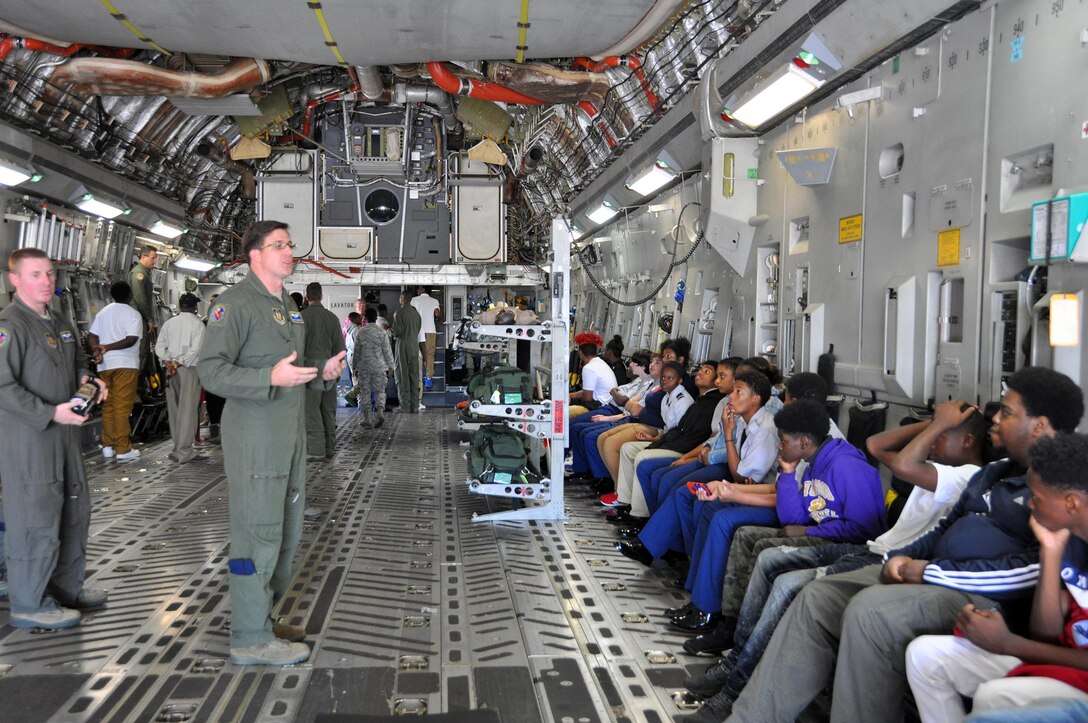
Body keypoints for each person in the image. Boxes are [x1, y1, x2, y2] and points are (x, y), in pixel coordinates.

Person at [726, 366, 1085, 723]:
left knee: (870, 613)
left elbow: (1031, 570)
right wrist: (901, 558)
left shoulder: (1055, 491)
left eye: (1007, 413)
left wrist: (932, 572)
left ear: (1039, 425)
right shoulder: (992, 473)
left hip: (979, 595)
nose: (995, 420)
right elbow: (946, 527)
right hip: (927, 572)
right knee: (818, 597)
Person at [678, 400, 985, 716]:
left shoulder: (967, 477)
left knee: (785, 581)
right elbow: (870, 451)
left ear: (967, 441)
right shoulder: (814, 463)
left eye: (941, 435)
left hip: (863, 548)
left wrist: (809, 533)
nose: (932, 443)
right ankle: (737, 655)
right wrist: (785, 474)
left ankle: (737, 682)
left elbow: (862, 523)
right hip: (872, 549)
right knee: (766, 556)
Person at [198, 220, 346, 666]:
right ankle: (248, 636)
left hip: (289, 435)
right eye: (278, 245)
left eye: (290, 244)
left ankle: (262, 618)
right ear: (254, 255)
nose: (289, 251)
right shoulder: (234, 304)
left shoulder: (287, 306)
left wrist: (322, 371)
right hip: (256, 438)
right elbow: (211, 371)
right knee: (256, 535)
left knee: (285, 533)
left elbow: (293, 367)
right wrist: (268, 378)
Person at [906, 432, 1088, 721]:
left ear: (1071, 504)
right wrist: (1049, 554)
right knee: (925, 655)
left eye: (1037, 498)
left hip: (1079, 684)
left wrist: (1008, 644)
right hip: (1058, 664)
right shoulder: (1069, 539)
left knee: (996, 696)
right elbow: (1047, 635)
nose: (1030, 504)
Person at [0, 248, 109, 628]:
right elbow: (2, 386)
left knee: (74, 510)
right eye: (35, 275)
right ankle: (29, 602)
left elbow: (77, 360)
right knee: (36, 516)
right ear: (14, 279)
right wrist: (49, 413)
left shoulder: (59, 321)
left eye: (49, 274)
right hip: (31, 439)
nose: (46, 281)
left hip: (65, 435)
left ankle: (65, 589)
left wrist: (87, 380)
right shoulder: (10, 326)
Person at [88, 281, 144, 462]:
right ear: (130, 296)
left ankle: (108, 446)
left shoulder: (103, 313)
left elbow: (91, 335)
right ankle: (123, 448)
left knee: (109, 405)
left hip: (105, 366)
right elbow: (131, 340)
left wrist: (97, 349)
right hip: (125, 364)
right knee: (122, 407)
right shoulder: (133, 314)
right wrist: (107, 347)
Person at [154, 293, 206, 464]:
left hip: (170, 371)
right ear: (195, 307)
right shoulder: (198, 325)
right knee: (188, 409)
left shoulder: (169, 323)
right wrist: (179, 362)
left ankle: (177, 448)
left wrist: (168, 361)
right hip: (188, 370)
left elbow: (159, 346)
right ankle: (184, 451)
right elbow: (196, 350)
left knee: (174, 408)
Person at [300, 282, 345, 460]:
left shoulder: (300, 317)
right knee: (328, 409)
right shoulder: (332, 318)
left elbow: (296, 347)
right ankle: (330, 448)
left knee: (311, 410)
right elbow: (340, 349)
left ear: (306, 296)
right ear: (321, 296)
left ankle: (316, 449)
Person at [352, 307, 395, 428]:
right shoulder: (382, 332)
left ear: (365, 318)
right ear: (376, 318)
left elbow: (356, 352)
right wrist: (391, 367)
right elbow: (387, 351)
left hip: (364, 367)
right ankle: (380, 413)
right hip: (379, 367)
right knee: (380, 391)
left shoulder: (360, 332)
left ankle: (367, 419)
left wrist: (354, 367)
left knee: (365, 392)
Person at [569, 333, 619, 418]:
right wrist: (572, 395)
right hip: (608, 405)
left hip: (599, 408)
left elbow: (587, 398)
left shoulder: (589, 368)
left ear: (580, 352)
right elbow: (589, 390)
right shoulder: (600, 363)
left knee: (560, 412)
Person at [391, 289, 422, 413]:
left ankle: (404, 405)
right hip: (414, 345)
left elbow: (397, 331)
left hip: (402, 345)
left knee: (402, 375)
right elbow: (418, 329)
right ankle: (415, 405)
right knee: (414, 376)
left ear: (402, 298)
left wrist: (389, 329)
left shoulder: (399, 312)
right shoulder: (416, 314)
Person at [127, 245, 157, 372]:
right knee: (141, 352)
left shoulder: (144, 273)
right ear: (143, 257)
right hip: (138, 319)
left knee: (143, 352)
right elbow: (140, 299)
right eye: (153, 258)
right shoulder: (139, 274)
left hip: (140, 318)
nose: (155, 261)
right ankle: (136, 386)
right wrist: (149, 318)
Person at [410, 286, 441, 387]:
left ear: (423, 289)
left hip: (417, 330)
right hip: (430, 330)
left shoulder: (414, 300)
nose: (417, 290)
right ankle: (428, 378)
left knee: (416, 354)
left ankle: (416, 378)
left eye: (418, 288)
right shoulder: (434, 301)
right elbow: (437, 314)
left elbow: (410, 313)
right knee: (429, 354)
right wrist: (442, 319)